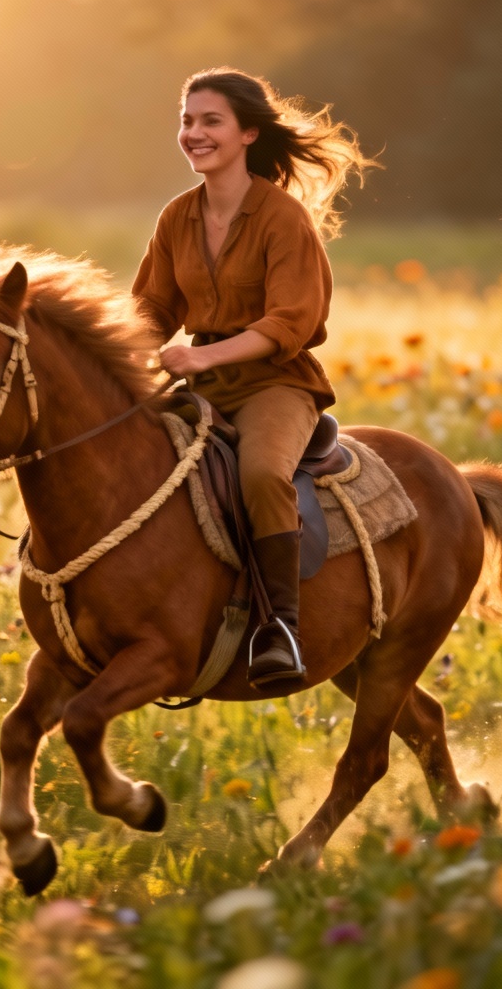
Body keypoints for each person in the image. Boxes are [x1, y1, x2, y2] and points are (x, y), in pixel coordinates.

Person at [132, 66, 374, 690]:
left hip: (275, 382)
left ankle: (281, 628)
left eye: (211, 121)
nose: (194, 133)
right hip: (202, 381)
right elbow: (152, 311)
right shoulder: (175, 217)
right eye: (187, 121)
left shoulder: (281, 217)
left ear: (247, 134)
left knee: (263, 474)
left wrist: (203, 358)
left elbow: (290, 322)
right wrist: (109, 357)